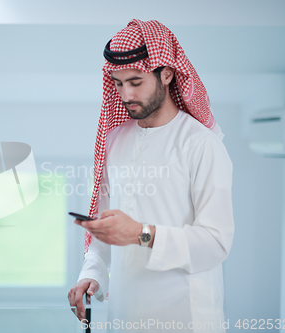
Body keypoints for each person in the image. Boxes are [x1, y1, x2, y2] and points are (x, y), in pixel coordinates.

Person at [67, 19, 234, 332]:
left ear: (167, 74)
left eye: (135, 81)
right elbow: (104, 230)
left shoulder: (201, 144)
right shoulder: (115, 140)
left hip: (186, 320)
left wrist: (140, 234)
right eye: (117, 83)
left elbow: (216, 242)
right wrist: (91, 274)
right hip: (124, 318)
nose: (126, 94)